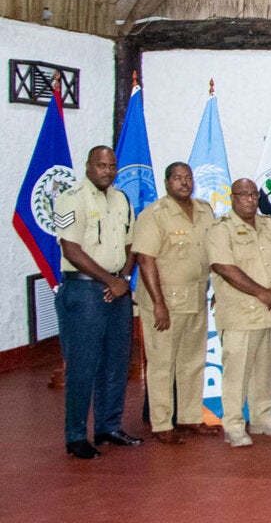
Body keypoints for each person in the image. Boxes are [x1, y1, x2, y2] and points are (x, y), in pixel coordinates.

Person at [54, 146, 140, 459]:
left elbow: (133, 244)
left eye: (111, 165)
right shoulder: (71, 197)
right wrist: (111, 280)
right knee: (83, 366)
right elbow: (71, 249)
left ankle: (108, 427)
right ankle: (76, 436)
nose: (107, 170)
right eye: (101, 165)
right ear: (89, 166)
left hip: (118, 289)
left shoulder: (121, 199)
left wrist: (124, 278)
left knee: (116, 363)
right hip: (86, 291)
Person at [132, 162, 216, 444]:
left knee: (192, 362)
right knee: (162, 364)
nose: (184, 182)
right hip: (165, 300)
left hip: (195, 297)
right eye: (178, 178)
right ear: (167, 183)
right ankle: (161, 423)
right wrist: (158, 303)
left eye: (188, 177)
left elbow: (212, 253)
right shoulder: (154, 215)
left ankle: (190, 417)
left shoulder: (205, 211)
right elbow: (145, 260)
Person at [207, 179, 271, 446]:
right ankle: (233, 424)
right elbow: (225, 268)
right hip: (240, 313)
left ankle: (262, 417)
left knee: (263, 369)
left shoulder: (269, 224)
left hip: (269, 311)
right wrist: (261, 292)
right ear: (232, 198)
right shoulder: (221, 229)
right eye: (242, 195)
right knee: (236, 372)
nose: (248, 199)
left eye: (253, 194)